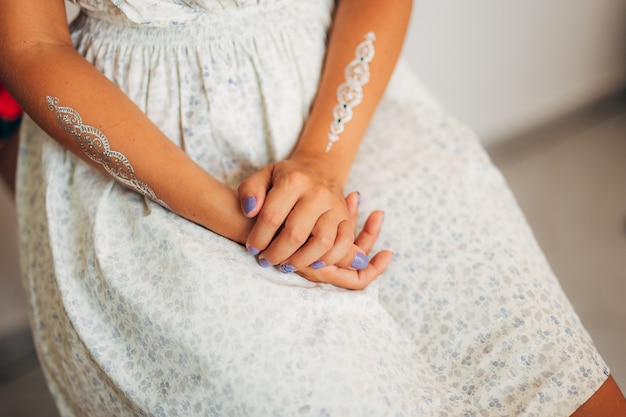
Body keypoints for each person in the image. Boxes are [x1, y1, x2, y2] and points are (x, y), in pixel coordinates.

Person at [0, 0, 624, 415]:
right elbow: (30, 45)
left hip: (339, 95)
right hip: (146, 145)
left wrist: (323, 159)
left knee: (546, 373)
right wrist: (250, 220)